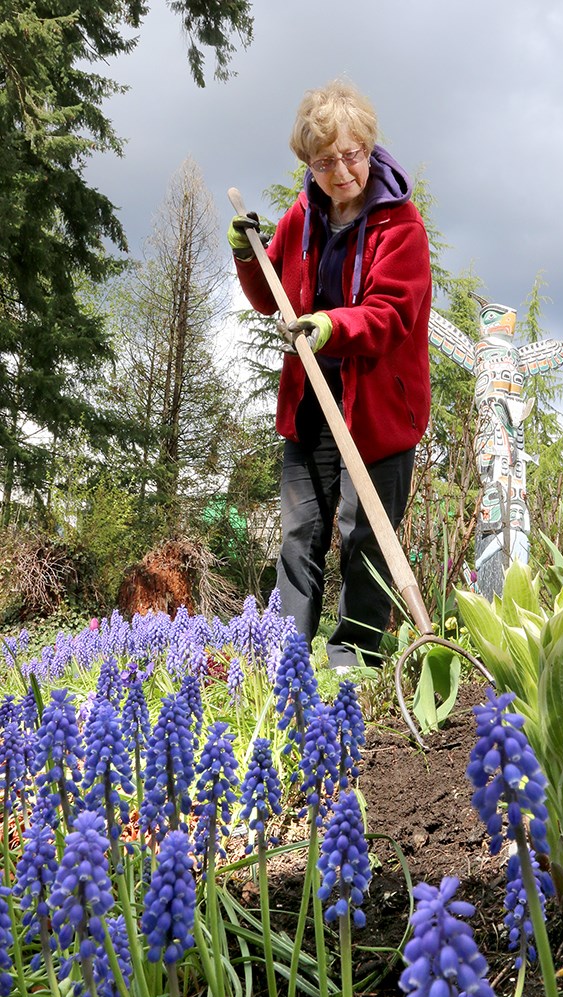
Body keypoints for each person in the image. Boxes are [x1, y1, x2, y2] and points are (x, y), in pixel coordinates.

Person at [227, 79, 432, 670]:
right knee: (300, 531)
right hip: (312, 401)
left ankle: (357, 656)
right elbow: (273, 299)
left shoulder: (401, 227)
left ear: (369, 147)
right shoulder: (304, 215)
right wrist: (250, 256)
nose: (341, 171)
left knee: (364, 536)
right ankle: (284, 655)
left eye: (351, 154)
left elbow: (392, 315)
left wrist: (332, 327)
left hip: (377, 412)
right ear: (308, 164)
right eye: (324, 161)